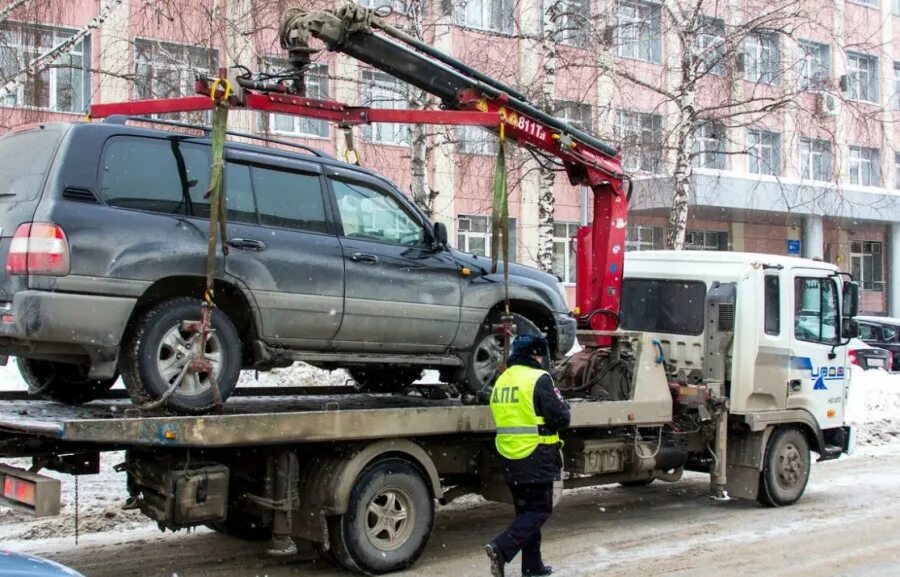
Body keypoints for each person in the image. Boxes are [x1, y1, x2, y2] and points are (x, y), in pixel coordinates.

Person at [485, 334, 570, 577]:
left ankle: (532, 566)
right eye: (541, 354)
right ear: (535, 354)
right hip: (536, 452)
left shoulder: (503, 379)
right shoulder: (538, 378)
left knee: (526, 511)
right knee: (540, 510)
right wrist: (565, 408)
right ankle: (501, 548)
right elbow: (560, 418)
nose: (542, 359)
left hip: (509, 453)